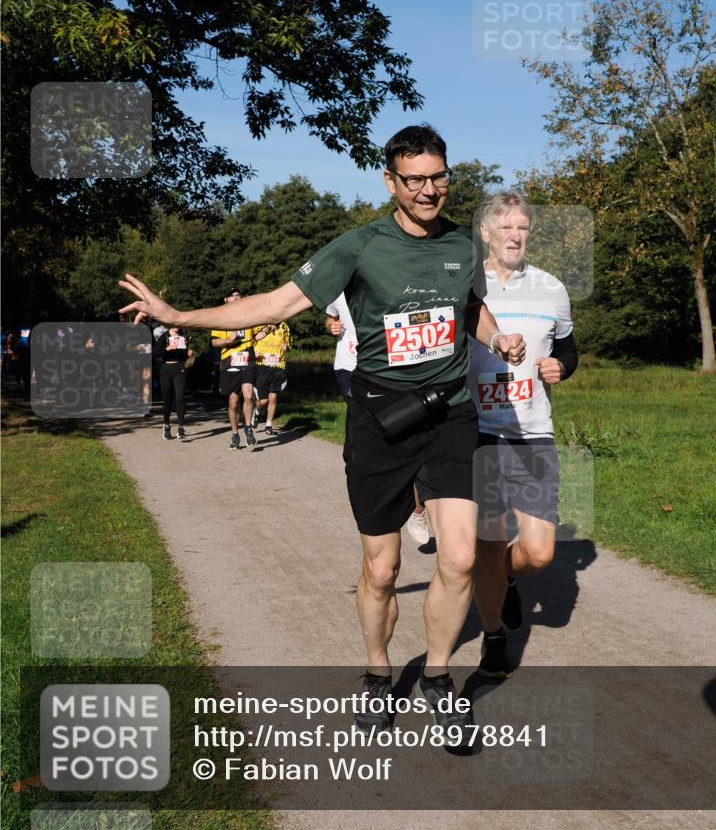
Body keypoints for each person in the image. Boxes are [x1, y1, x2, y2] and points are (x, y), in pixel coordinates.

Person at [119, 124, 525, 735]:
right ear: (391, 181)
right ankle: (378, 671)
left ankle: (439, 678)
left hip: (450, 412)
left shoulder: (464, 246)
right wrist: (179, 316)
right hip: (380, 418)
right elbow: (277, 304)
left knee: (461, 557)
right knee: (383, 568)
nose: (428, 189)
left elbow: (469, 307)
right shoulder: (358, 246)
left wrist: (495, 338)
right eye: (414, 179)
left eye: (438, 177)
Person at [469, 191, 578, 678]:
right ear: (486, 233)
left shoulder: (552, 288)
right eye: (506, 227)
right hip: (479, 434)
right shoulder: (467, 288)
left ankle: (509, 580)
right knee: (487, 545)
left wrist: (562, 366)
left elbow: (569, 350)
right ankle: (493, 638)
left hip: (533, 433)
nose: (515, 235)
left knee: (538, 552)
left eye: (523, 228)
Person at [326, 294, 431, 547]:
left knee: (405, 433)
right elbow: (330, 316)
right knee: (366, 438)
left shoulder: (393, 278)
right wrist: (331, 326)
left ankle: (416, 508)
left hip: (391, 368)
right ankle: (375, 500)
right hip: (349, 368)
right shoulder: (338, 283)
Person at [211, 290, 259, 451]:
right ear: (226, 300)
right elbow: (215, 343)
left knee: (248, 394)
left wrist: (268, 330)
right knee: (233, 402)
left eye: (239, 295)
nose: (236, 297)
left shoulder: (249, 317)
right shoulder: (220, 318)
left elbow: (257, 335)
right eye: (233, 295)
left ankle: (248, 428)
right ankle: (235, 433)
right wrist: (228, 341)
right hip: (229, 362)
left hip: (247, 360)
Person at [252, 321, 292, 436]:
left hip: (278, 366)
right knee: (263, 400)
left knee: (273, 397)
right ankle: (257, 412)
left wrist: (287, 347)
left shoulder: (284, 326)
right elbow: (250, 342)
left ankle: (268, 425)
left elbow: (290, 344)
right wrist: (253, 352)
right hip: (261, 366)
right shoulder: (259, 325)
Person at [154, 326, 193, 440]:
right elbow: (155, 354)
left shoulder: (184, 336)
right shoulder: (164, 337)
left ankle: (180, 427)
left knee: (180, 398)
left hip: (180, 369)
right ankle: (166, 425)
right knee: (167, 400)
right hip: (166, 369)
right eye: (174, 323)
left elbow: (185, 354)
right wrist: (167, 349)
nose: (177, 325)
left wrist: (188, 354)